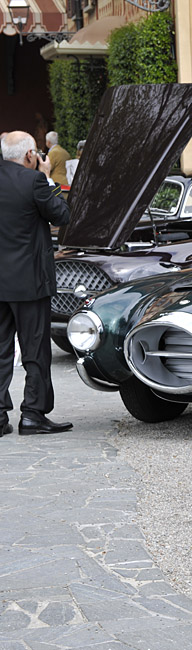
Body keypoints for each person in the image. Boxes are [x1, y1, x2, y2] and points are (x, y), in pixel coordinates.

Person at [0, 131, 73, 436]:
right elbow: (62, 215)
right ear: (31, 155)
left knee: (1, 349)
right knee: (35, 349)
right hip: (30, 281)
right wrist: (47, 178)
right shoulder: (33, 182)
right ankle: (32, 414)